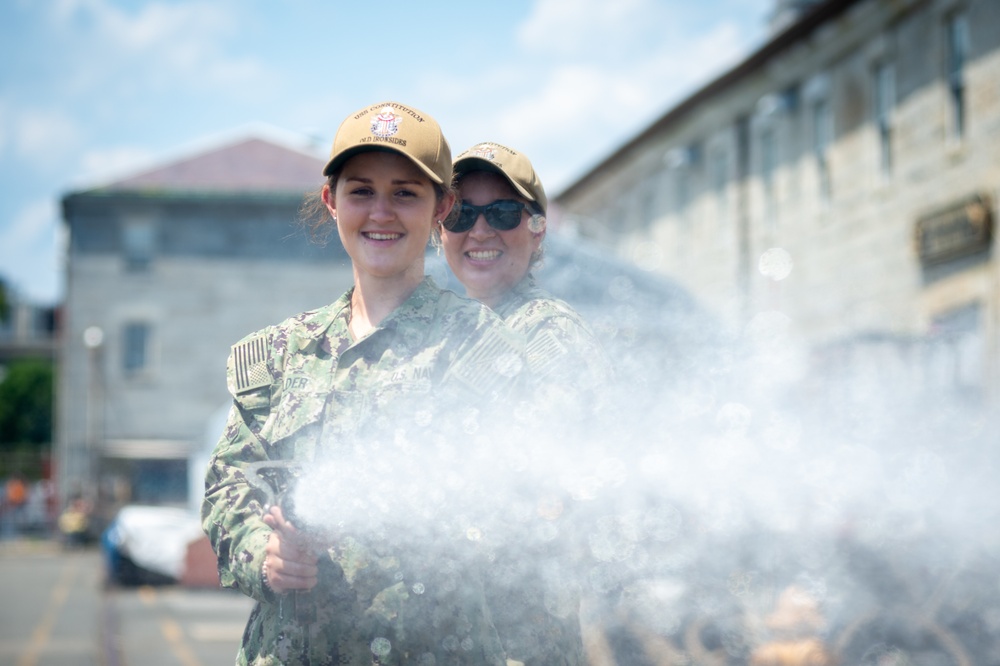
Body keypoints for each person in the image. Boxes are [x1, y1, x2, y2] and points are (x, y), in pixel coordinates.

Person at [202, 102, 525, 666]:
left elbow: (518, 508)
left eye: (405, 192)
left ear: (442, 208)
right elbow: (227, 488)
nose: (381, 212)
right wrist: (266, 554)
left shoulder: (484, 348)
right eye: (360, 191)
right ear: (331, 202)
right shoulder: (277, 355)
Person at [437, 143, 614, 666]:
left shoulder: (550, 335)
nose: (481, 230)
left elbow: (554, 488)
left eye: (505, 213)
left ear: (538, 230)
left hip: (514, 642)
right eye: (461, 214)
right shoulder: (447, 330)